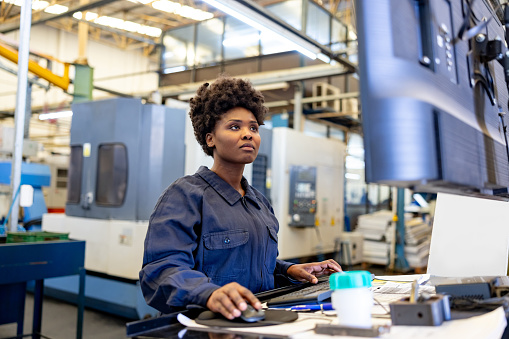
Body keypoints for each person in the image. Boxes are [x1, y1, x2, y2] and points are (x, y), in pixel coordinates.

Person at [139, 75, 342, 320]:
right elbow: (161, 271)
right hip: (204, 328)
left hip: (255, 321)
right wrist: (209, 294)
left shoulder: (259, 203)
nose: (248, 134)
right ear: (210, 138)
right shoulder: (184, 196)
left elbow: (252, 266)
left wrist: (290, 270)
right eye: (235, 127)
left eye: (253, 128)